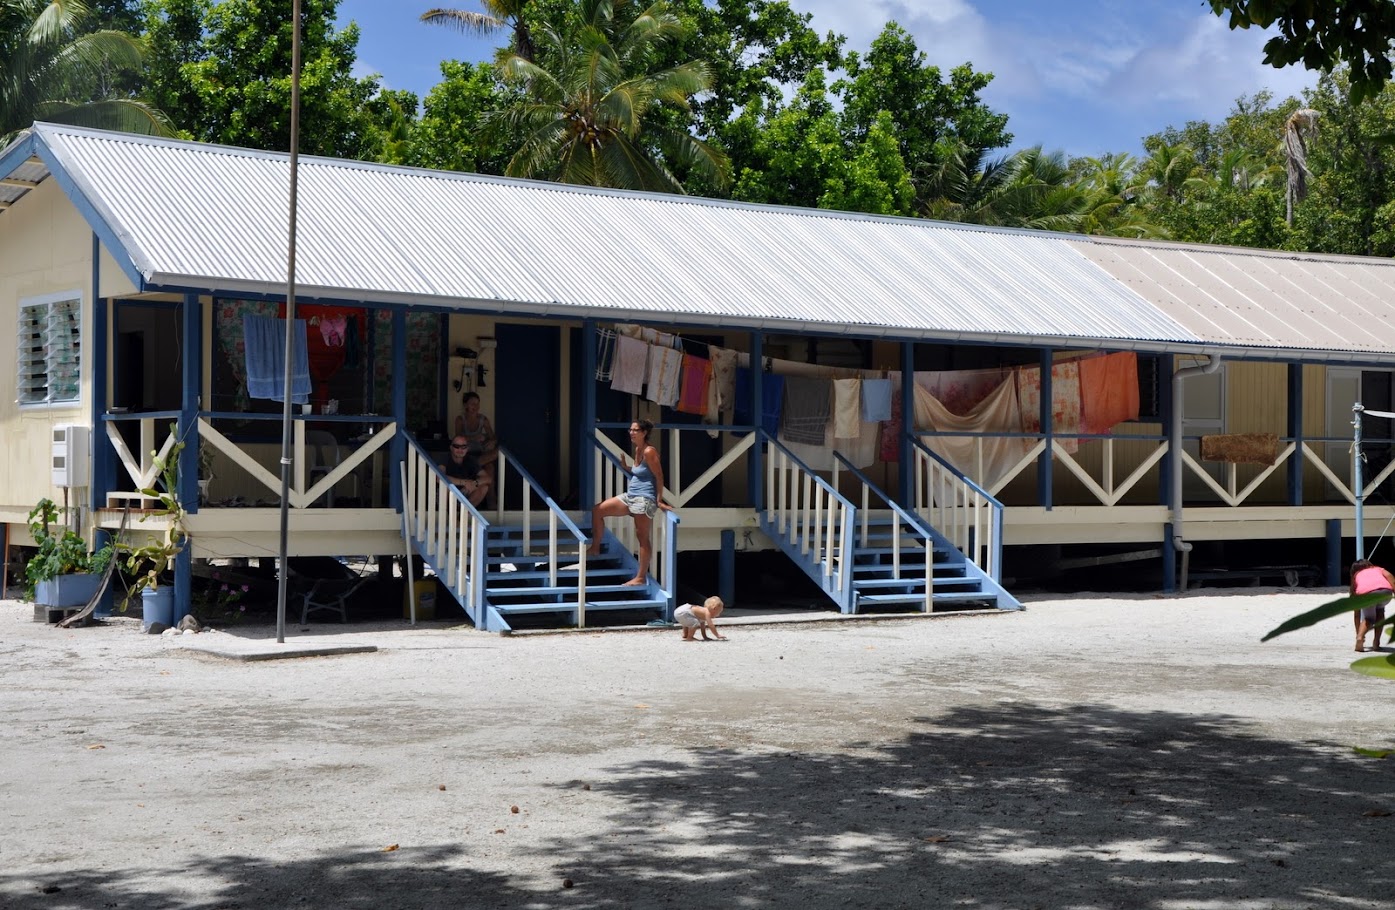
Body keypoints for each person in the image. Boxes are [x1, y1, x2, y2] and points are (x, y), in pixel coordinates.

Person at [588, 419, 673, 586]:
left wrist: (659, 501)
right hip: (630, 496)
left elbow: (659, 476)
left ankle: (640, 577)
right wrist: (626, 467)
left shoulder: (649, 451)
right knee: (597, 510)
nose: (631, 433)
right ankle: (595, 548)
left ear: (644, 433)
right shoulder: (637, 449)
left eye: (635, 430)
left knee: (642, 537)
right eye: (630, 430)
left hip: (644, 499)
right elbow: (640, 472)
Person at [1349, 558, 1394, 652]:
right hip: (1385, 592)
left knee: (1369, 618)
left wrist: (1358, 634)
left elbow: (1357, 613)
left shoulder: (1356, 576)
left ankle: (1360, 637)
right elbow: (1392, 579)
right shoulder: (1379, 569)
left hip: (1366, 594)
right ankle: (1376, 643)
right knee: (1380, 612)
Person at [454, 391, 499, 484]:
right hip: (466, 454)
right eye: (472, 404)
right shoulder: (460, 420)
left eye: (478, 403)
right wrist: (473, 438)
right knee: (488, 469)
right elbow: (457, 440)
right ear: (465, 405)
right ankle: (471, 467)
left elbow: (493, 437)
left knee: (492, 464)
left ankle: (472, 467)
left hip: (480, 453)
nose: (476, 406)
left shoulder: (483, 419)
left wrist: (492, 442)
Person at [440, 435, 490, 507]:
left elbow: (488, 478)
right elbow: (440, 477)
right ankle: (452, 511)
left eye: (463, 447)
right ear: (451, 448)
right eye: (456, 446)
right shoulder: (444, 458)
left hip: (465, 494)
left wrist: (474, 483)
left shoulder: (470, 460)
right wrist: (465, 483)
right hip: (446, 496)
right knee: (446, 486)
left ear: (467, 449)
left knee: (484, 487)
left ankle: (465, 511)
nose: (460, 449)